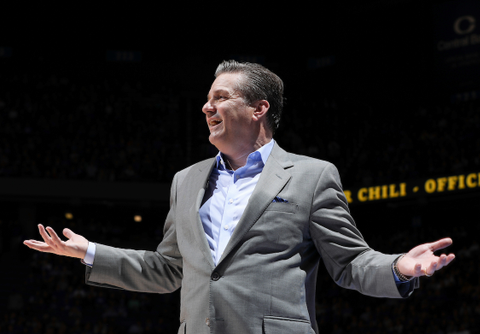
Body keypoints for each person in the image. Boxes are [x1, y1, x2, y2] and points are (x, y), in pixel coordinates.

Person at [24, 60, 455, 334]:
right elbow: (169, 269)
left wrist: (400, 266)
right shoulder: (186, 180)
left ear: (259, 109)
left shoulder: (311, 175)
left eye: (220, 98)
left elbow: (350, 264)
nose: (207, 107)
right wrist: (89, 252)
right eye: (206, 100)